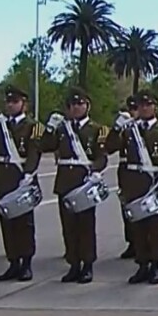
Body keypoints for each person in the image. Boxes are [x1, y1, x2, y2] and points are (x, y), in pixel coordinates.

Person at [106, 90, 158, 284]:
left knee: (154, 226)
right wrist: (115, 129)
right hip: (134, 181)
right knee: (137, 226)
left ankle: (155, 265)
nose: (145, 108)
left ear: (155, 107)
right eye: (141, 105)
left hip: (153, 181)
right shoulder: (129, 130)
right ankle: (142, 265)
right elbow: (109, 147)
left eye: (148, 105)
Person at [40, 88, 110, 284]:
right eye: (73, 105)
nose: (77, 108)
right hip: (65, 181)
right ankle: (73, 264)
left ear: (88, 106)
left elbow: (102, 156)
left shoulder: (97, 129)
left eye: (81, 104)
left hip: (84, 181)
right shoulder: (62, 129)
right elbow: (45, 146)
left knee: (85, 226)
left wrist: (96, 171)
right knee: (68, 227)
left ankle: (87, 265)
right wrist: (49, 128)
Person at [0, 86, 43, 281]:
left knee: (24, 224)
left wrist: (29, 173)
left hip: (21, 176)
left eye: (15, 102)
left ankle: (26, 263)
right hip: (4, 177)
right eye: (8, 102)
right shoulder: (0, 125)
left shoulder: (33, 126)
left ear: (24, 103)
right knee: (7, 223)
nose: (11, 105)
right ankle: (13, 262)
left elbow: (34, 150)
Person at [118, 95, 140, 260]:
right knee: (126, 205)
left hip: (139, 169)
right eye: (130, 109)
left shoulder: (142, 128)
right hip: (125, 169)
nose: (133, 112)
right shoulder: (125, 128)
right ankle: (131, 242)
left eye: (135, 109)